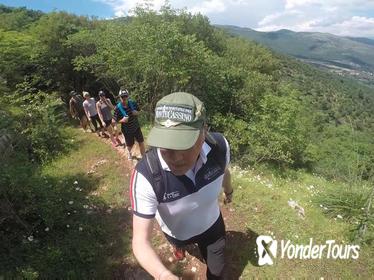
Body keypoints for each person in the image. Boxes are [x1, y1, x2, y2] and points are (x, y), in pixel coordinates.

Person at [130, 92, 233, 280]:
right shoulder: (146, 175)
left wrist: (229, 190)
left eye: (184, 145)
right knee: (179, 244)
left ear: (204, 132)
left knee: (217, 273)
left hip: (212, 227)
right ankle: (179, 248)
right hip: (176, 233)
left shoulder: (220, 148)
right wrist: (163, 275)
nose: (176, 158)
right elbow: (140, 241)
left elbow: (224, 171)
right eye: (167, 145)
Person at [113, 89, 145, 160]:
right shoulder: (117, 108)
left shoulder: (133, 103)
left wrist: (137, 113)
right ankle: (129, 154)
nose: (124, 98)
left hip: (136, 127)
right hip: (127, 131)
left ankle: (144, 158)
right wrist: (122, 120)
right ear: (119, 97)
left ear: (128, 96)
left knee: (141, 142)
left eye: (126, 96)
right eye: (122, 97)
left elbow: (140, 111)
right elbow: (114, 121)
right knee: (130, 145)